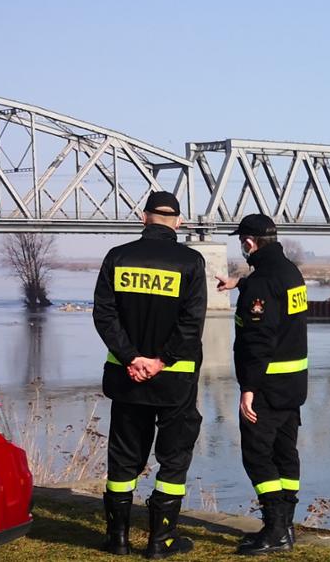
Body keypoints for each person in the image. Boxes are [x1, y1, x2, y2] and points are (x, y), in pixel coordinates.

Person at [92, 191, 209, 558]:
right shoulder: (191, 262)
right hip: (174, 379)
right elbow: (192, 324)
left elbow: (104, 315)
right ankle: (162, 541)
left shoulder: (118, 257)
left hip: (127, 377)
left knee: (124, 457)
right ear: (177, 221)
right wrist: (161, 360)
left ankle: (119, 539)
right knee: (173, 457)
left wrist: (131, 357)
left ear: (144, 218)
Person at [217, 213, 309, 556]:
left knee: (257, 455)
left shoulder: (261, 284)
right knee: (285, 453)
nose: (242, 246)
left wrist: (248, 390)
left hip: (267, 387)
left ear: (250, 243)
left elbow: (258, 340)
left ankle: (273, 529)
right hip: (294, 385)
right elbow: (272, 293)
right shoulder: (290, 273)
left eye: (242, 241)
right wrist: (238, 283)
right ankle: (286, 527)